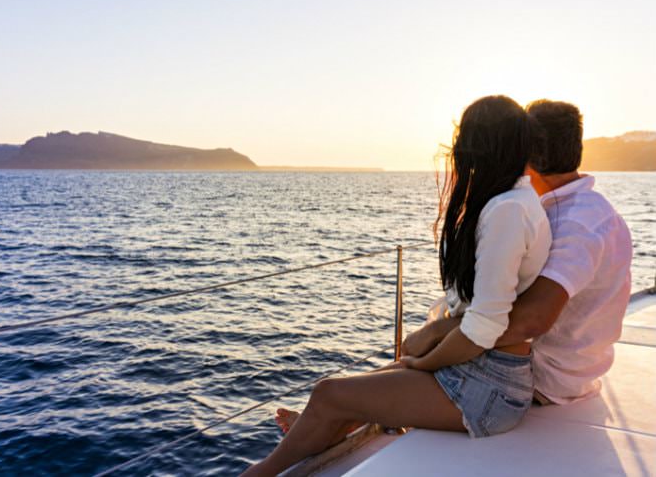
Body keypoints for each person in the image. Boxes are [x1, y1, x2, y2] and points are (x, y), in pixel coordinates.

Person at [241, 95, 552, 476]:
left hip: (488, 388)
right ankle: (319, 426)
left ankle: (258, 473)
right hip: (483, 373)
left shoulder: (506, 210)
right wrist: (425, 350)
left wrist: (422, 362)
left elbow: (484, 328)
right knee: (343, 393)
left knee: (329, 394)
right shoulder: (513, 202)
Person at [402, 100, 632, 405]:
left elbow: (532, 320)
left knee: (367, 386)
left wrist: (437, 334)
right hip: (561, 369)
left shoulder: (575, 224)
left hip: (541, 376)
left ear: (526, 150)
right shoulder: (580, 210)